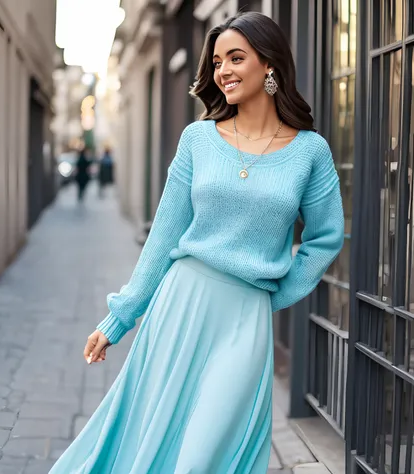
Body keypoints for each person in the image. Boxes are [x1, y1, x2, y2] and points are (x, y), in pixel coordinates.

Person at [50, 11, 344, 474]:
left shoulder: (310, 150)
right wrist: (119, 318)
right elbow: (164, 236)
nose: (222, 70)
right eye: (216, 61)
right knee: (154, 442)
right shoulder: (198, 140)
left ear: (269, 65)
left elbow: (325, 239)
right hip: (180, 306)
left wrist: (272, 293)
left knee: (206, 455)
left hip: (244, 321)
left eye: (236, 57)